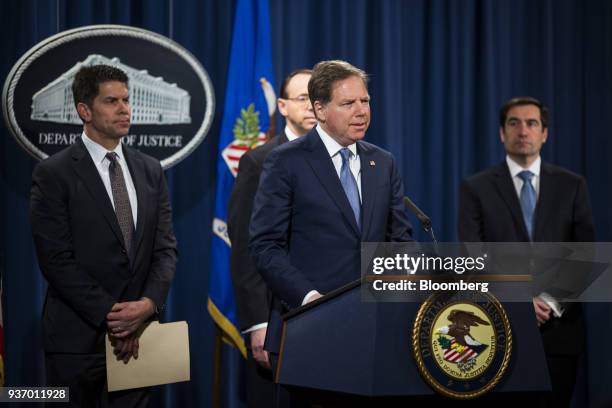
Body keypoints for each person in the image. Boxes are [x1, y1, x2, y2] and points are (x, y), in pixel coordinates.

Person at [248, 60, 413, 387]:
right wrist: (309, 299)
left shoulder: (382, 162)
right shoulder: (285, 161)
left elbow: (401, 238)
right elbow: (265, 245)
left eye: (365, 101)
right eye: (349, 103)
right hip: (307, 327)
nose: (361, 111)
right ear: (320, 109)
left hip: (375, 328)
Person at [30, 64, 178, 407]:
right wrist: (115, 315)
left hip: (142, 338)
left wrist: (147, 305)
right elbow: (56, 261)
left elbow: (165, 249)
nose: (125, 109)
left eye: (127, 100)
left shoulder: (150, 169)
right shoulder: (54, 173)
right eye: (112, 101)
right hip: (76, 342)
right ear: (84, 110)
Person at [458, 96, 594, 407]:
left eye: (532, 123)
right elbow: (472, 257)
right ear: (501, 133)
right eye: (514, 123)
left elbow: (585, 255)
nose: (523, 131)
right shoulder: (475, 188)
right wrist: (519, 300)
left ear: (544, 133)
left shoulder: (572, 185)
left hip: (560, 332)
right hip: (499, 331)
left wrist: (547, 301)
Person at [227, 68, 315, 406]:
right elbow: (246, 249)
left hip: (331, 313)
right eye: (302, 98)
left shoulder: (343, 158)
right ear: (282, 105)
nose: (311, 105)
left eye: (317, 98)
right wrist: (258, 323)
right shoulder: (259, 162)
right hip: (277, 317)